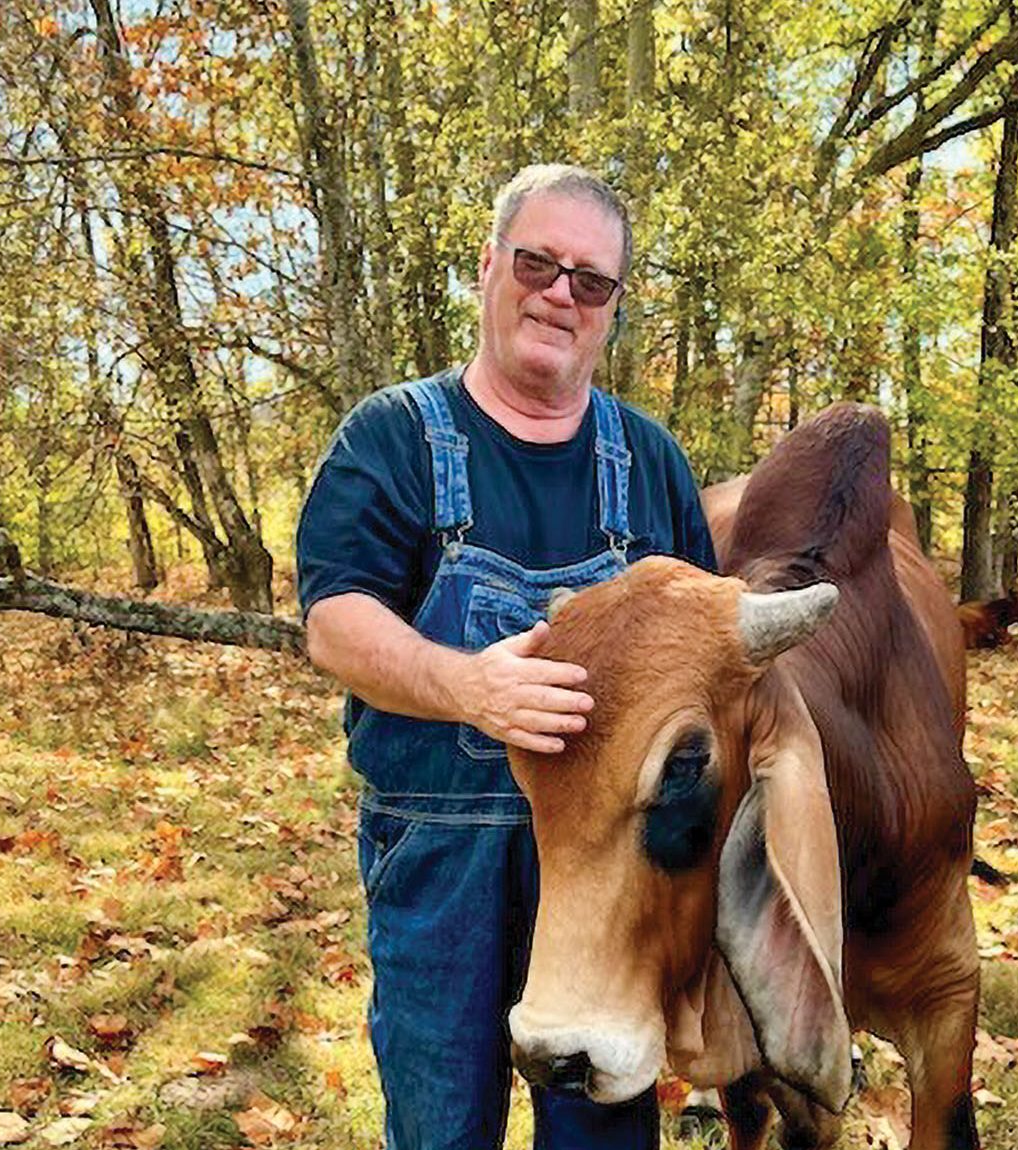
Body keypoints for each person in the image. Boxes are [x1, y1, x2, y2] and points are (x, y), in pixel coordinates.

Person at [295, 164, 717, 1150]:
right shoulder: (393, 438)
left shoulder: (649, 461)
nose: (561, 293)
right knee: (443, 1124)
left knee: (605, 1131)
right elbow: (334, 619)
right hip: (443, 852)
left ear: (612, 307)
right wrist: (467, 684)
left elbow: (707, 666)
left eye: (592, 280)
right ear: (489, 267)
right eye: (538, 262)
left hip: (612, 868)